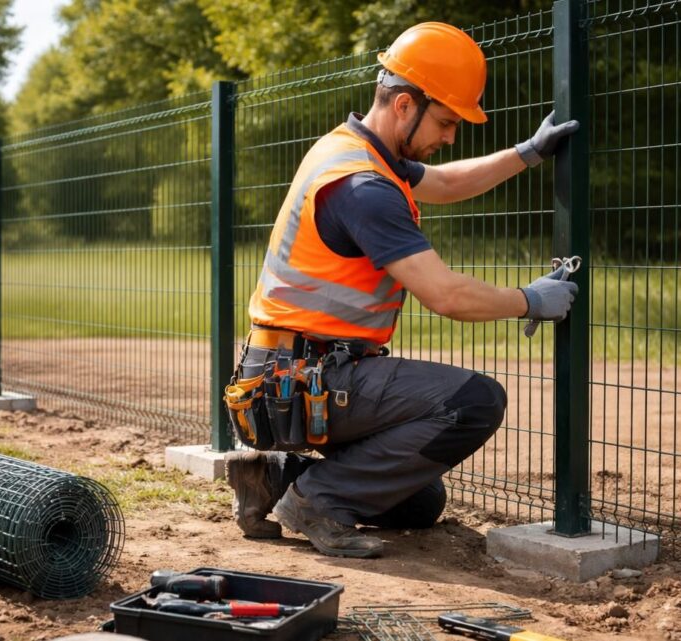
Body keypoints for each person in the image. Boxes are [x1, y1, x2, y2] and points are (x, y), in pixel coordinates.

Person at [224, 22, 580, 559]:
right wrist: (529, 300)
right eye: (445, 121)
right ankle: (314, 500)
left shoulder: (352, 152)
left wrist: (527, 152)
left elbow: (448, 182)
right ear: (406, 105)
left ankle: (276, 477)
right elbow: (447, 295)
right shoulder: (364, 188)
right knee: (475, 401)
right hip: (305, 381)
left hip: (287, 378)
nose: (451, 136)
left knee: (419, 502)